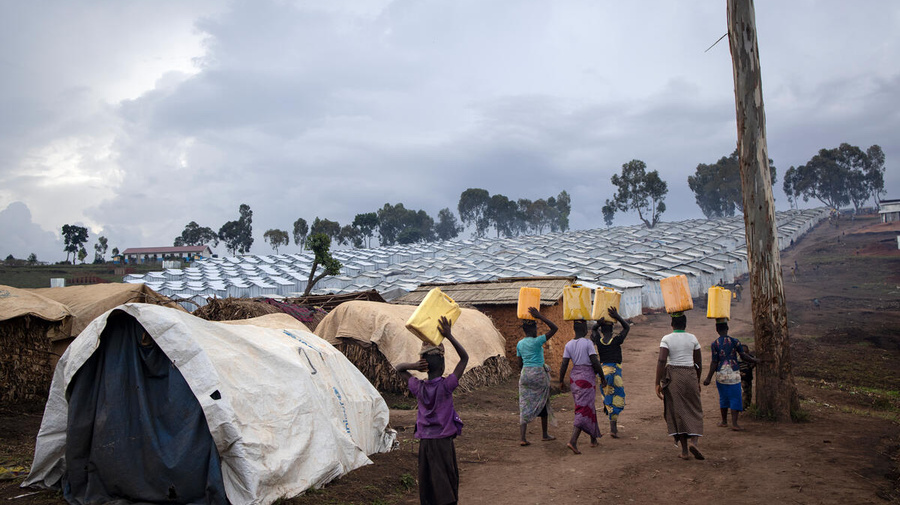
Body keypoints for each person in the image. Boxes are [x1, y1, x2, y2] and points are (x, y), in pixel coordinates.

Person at [395, 316, 469, 505]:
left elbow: (399, 369)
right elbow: (464, 358)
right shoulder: (446, 386)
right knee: (446, 481)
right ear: (443, 365)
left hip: (426, 443)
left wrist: (413, 366)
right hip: (443, 442)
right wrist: (449, 336)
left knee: (429, 483)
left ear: (424, 366)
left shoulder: (418, 387)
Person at [654, 313, 704, 460]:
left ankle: (684, 451)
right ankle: (694, 441)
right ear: (685, 325)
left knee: (678, 412)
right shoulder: (693, 338)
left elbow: (662, 360)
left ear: (672, 324)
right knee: (694, 408)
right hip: (690, 374)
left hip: (674, 376)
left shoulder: (666, 339)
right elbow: (698, 363)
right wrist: (697, 381)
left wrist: (657, 382)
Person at [558, 319, 606, 454]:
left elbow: (564, 364)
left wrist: (561, 380)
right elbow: (595, 361)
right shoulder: (588, 343)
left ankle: (593, 439)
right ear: (585, 329)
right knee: (583, 408)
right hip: (586, 377)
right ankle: (573, 440)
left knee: (587, 405)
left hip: (575, 378)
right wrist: (602, 377)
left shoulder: (568, 344)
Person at [702, 321, 758, 431]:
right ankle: (735, 424)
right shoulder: (735, 341)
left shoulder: (715, 344)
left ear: (717, 330)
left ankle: (724, 421)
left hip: (721, 373)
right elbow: (744, 356)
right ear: (727, 328)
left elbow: (714, 362)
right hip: (733, 373)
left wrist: (708, 378)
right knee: (735, 397)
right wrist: (756, 360)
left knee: (723, 397)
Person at [516, 306, 558, 446]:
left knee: (524, 403)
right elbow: (554, 328)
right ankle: (545, 434)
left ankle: (522, 438)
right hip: (539, 374)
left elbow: (519, 363)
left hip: (525, 375)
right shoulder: (537, 341)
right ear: (533, 329)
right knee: (543, 402)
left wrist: (527, 371)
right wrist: (540, 316)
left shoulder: (520, 344)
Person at [590, 306, 631, 438]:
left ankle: (610, 419)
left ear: (602, 330)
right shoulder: (616, 340)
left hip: (602, 373)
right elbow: (627, 327)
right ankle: (613, 429)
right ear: (612, 330)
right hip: (614, 372)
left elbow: (593, 330)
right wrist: (617, 316)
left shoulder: (599, 341)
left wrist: (598, 324)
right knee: (617, 399)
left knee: (607, 397)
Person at [738, 343, 757, 410]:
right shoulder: (738, 360)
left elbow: (753, 364)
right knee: (744, 393)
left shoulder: (750, 358)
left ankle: (747, 406)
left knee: (748, 393)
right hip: (742, 379)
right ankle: (743, 407)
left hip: (748, 378)